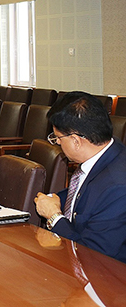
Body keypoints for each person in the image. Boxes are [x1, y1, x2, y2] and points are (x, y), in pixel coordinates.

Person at [34, 91, 126, 264]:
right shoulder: (106, 152)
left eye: (58, 138)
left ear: (76, 141)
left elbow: (93, 254)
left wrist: (54, 217)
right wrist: (55, 199)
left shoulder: (117, 187)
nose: (57, 142)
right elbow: (82, 193)